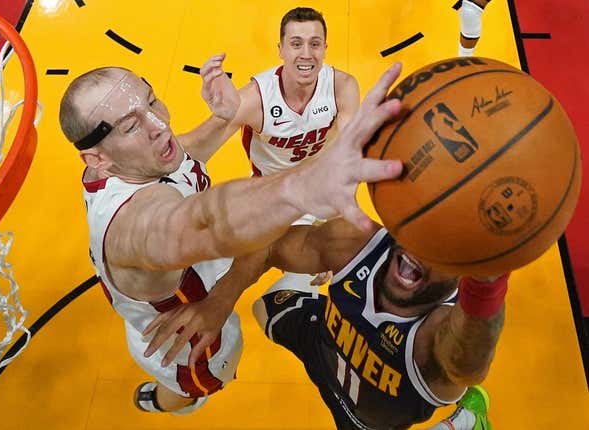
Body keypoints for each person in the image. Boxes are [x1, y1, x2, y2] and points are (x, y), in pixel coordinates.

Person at [58, 59, 404, 414]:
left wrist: (229, 114)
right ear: (96, 158)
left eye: (151, 101)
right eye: (131, 126)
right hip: (190, 347)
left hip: (179, 294)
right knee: (189, 393)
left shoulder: (135, 161)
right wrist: (304, 185)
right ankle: (164, 402)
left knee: (317, 239)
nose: (160, 125)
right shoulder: (135, 225)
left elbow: (190, 153)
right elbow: (206, 223)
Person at [250, 217, 505, 429]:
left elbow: (469, 361)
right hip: (322, 349)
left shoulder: (438, 330)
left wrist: (488, 284)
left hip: (370, 421)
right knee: (264, 307)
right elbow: (267, 248)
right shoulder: (363, 244)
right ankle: (316, 250)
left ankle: (465, 423)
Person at [216, 6, 362, 292]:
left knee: (318, 281)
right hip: (268, 200)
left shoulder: (341, 87)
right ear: (280, 49)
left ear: (325, 49)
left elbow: (348, 161)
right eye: (296, 44)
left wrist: (338, 228)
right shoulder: (255, 98)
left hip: (318, 195)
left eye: (314, 44)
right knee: (224, 278)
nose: (306, 53)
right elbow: (199, 148)